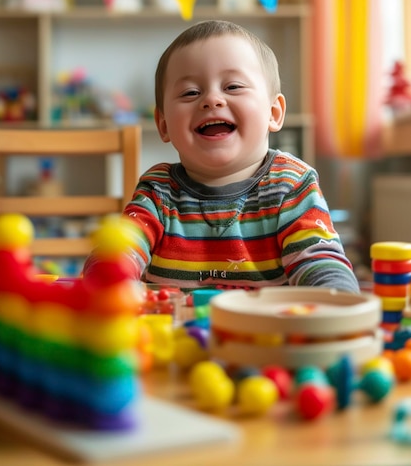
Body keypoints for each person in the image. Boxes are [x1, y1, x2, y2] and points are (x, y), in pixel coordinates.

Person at [84, 20, 359, 293]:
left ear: (273, 114)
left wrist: (336, 301)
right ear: (164, 124)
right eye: (191, 92)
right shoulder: (158, 190)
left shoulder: (291, 183)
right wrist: (110, 281)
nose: (212, 100)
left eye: (233, 87)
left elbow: (320, 261)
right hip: (173, 333)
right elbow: (119, 250)